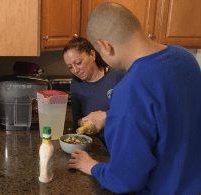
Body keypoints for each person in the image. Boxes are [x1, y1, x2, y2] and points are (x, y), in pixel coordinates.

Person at [68, 2, 201, 195]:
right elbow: (169, 114)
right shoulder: (185, 58)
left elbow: (126, 180)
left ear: (105, 46)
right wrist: (109, 117)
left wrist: (94, 167)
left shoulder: (129, 89)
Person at [63, 37, 125, 148]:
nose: (75, 70)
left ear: (92, 55)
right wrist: (83, 124)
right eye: (70, 67)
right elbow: (77, 116)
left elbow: (133, 111)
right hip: (96, 145)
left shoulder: (118, 75)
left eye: (78, 63)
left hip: (121, 144)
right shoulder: (76, 84)